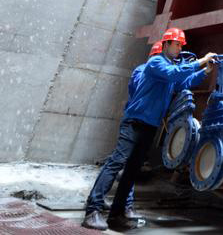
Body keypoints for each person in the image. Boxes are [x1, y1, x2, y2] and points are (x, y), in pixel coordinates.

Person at [82, 29, 215, 230]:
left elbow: (184, 81)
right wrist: (202, 60)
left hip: (149, 126)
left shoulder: (170, 68)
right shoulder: (156, 63)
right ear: (166, 44)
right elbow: (174, 74)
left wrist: (206, 71)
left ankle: (117, 214)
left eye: (181, 45)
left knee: (131, 171)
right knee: (116, 162)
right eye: (177, 44)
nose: (180, 48)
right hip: (134, 123)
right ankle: (93, 210)